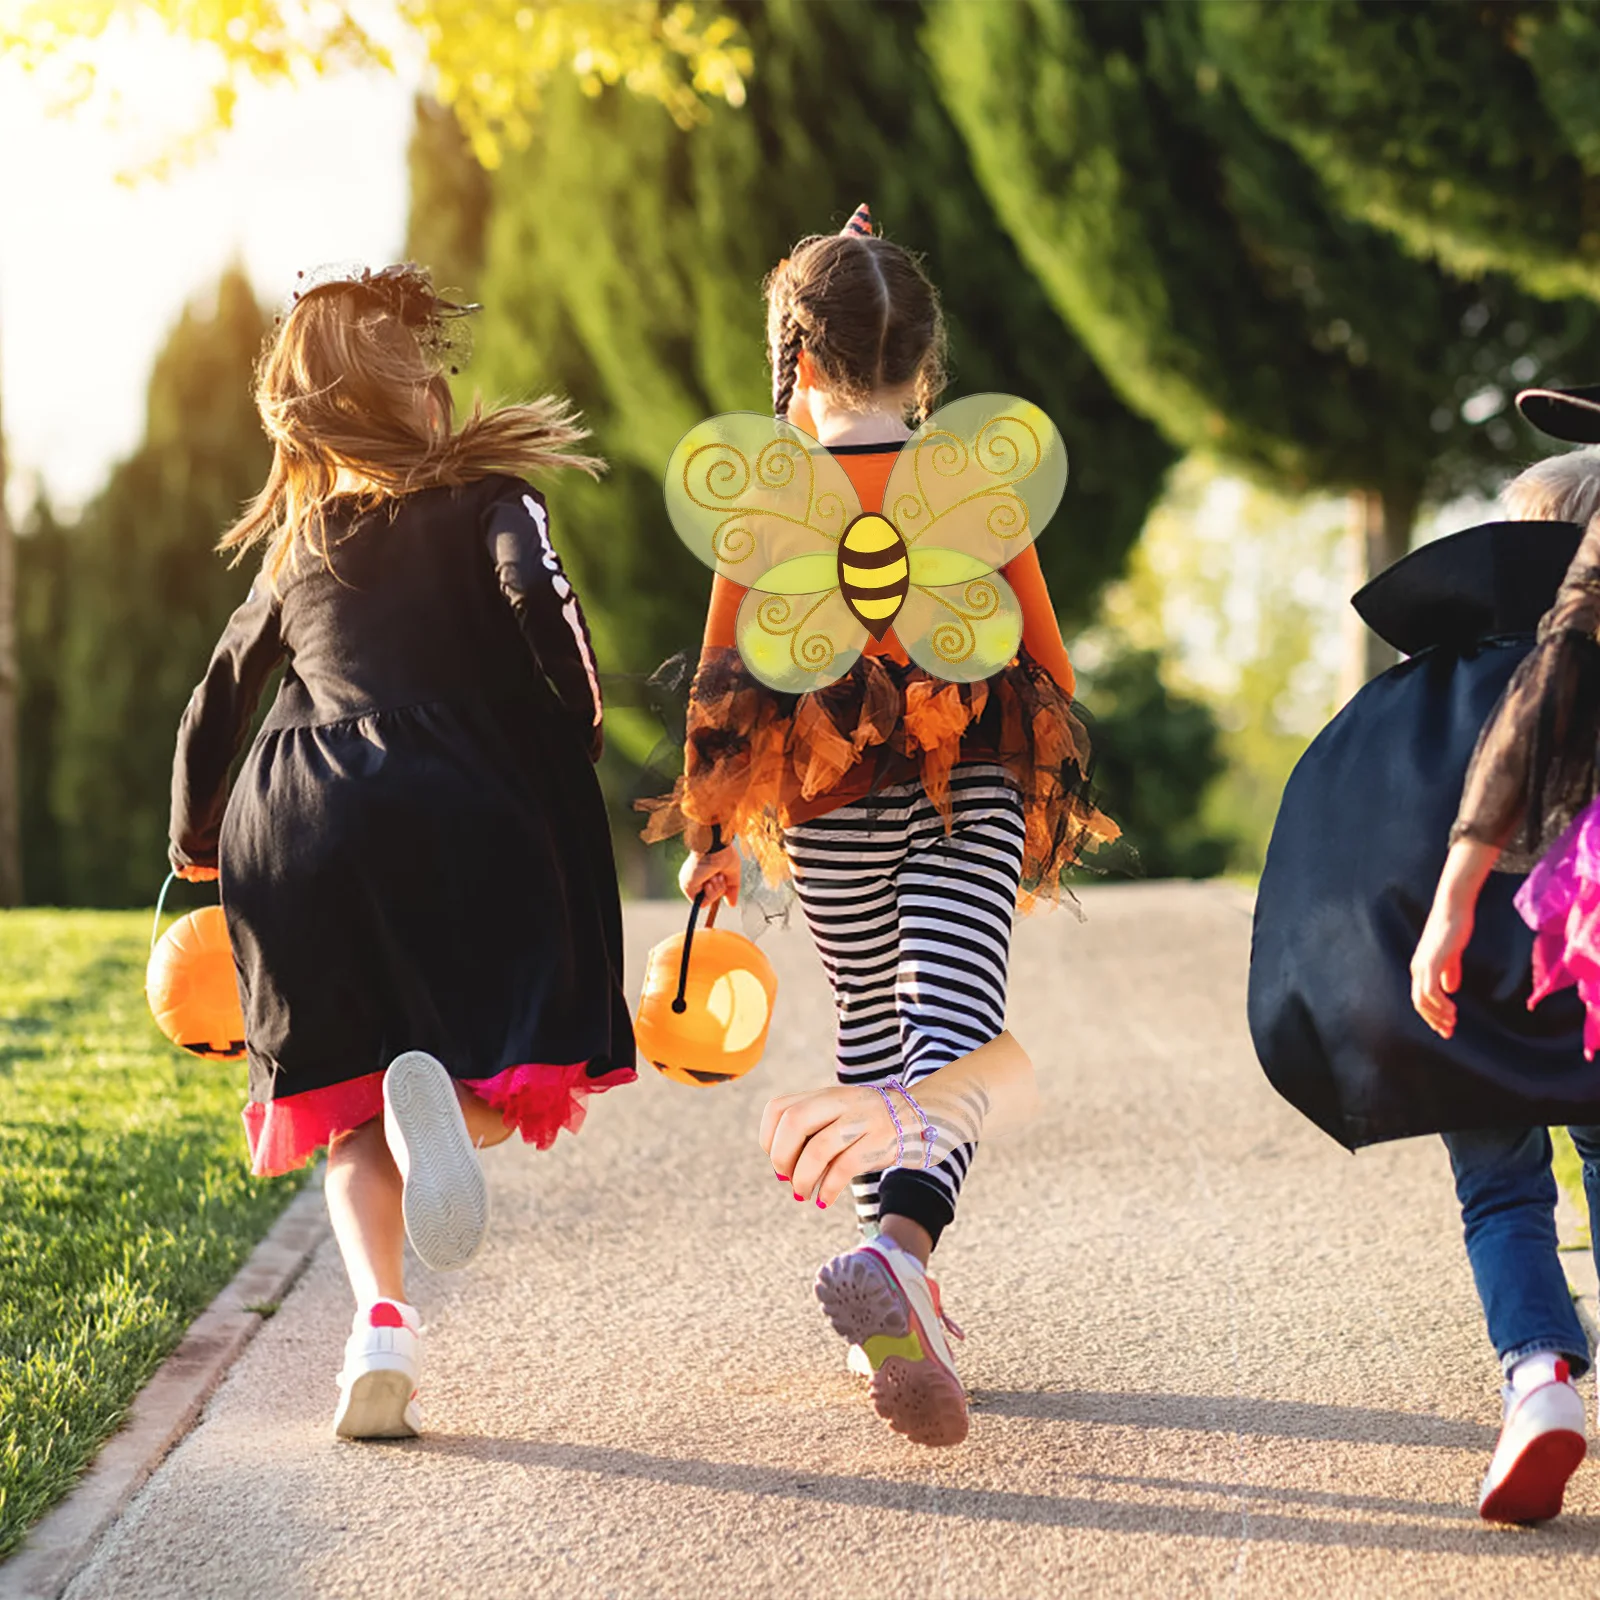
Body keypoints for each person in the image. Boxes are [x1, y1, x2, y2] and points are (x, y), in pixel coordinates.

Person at [643, 206, 1115, 1448]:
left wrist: (707, 835)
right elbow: (1042, 651)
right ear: (928, 363)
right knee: (954, 1026)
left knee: (872, 1020)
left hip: (824, 795)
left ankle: (894, 1294)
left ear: (796, 363)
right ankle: (899, 1249)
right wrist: (1050, 801)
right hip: (965, 779)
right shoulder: (971, 477)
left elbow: (720, 671)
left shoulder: (772, 492)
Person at [167, 263, 635, 1441]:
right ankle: (455, 1123)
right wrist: (571, 729)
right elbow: (545, 607)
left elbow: (218, 693)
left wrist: (195, 840)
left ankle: (379, 1323)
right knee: (502, 1058)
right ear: (420, 396)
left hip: (301, 824)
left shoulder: (298, 546)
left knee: (351, 1116)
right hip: (462, 800)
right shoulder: (492, 498)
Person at [1254, 398, 1600, 1521]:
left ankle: (1538, 1380)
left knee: (1499, 1192)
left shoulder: (1425, 694)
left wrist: (1352, 986)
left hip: (1466, 999)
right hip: (1587, 986)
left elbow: (1347, 845)